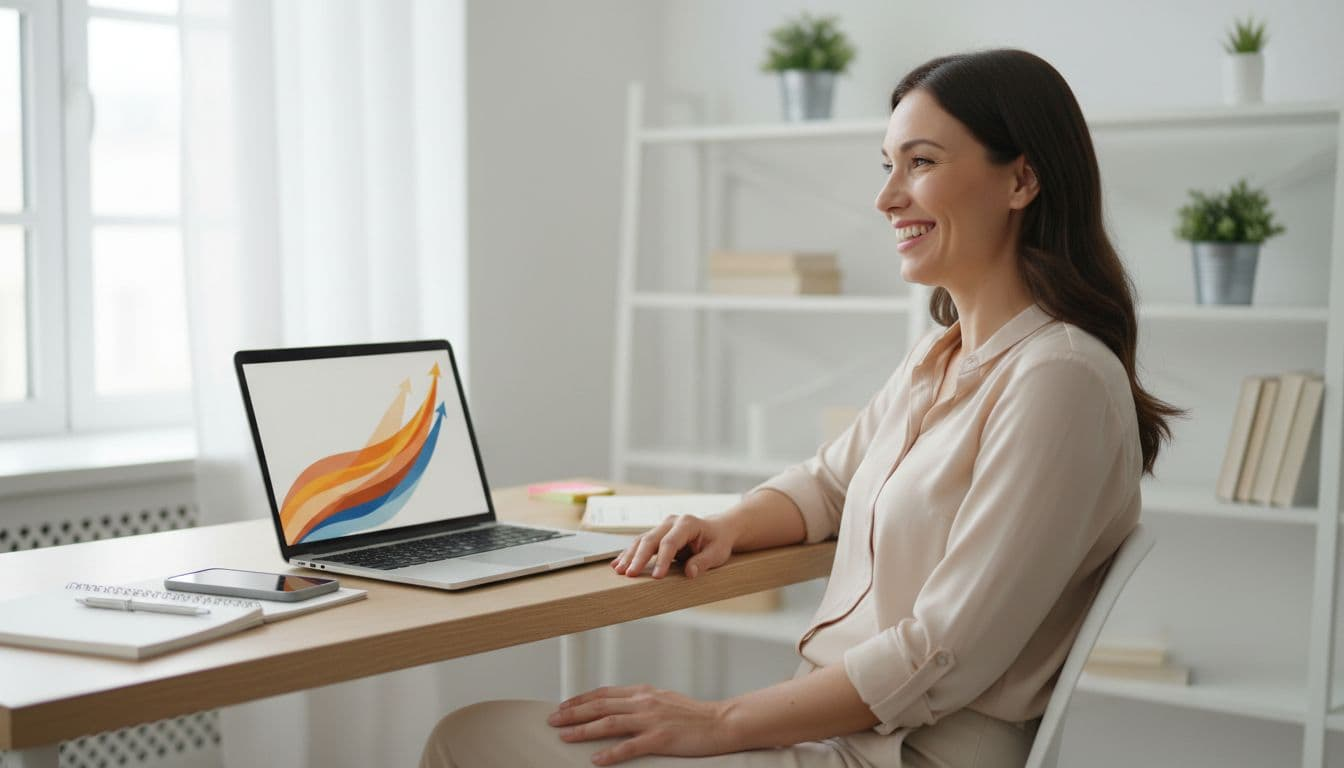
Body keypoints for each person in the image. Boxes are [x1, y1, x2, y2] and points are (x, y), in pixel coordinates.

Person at [420, 48, 1181, 768]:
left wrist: (719, 721)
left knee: (472, 738)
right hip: (853, 731)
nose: (887, 197)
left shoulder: (1060, 380)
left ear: (1022, 181)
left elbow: (940, 650)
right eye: (888, 167)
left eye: (920, 163)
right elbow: (829, 485)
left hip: (902, 750)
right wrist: (727, 524)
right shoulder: (941, 356)